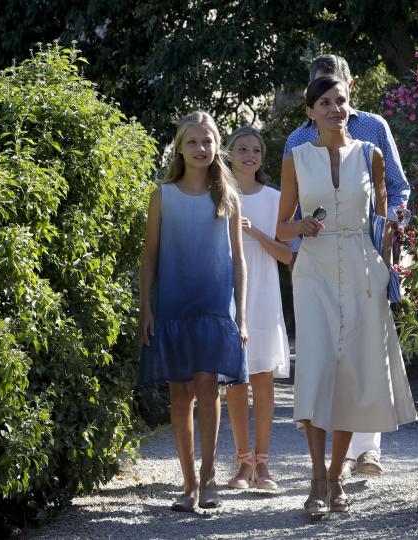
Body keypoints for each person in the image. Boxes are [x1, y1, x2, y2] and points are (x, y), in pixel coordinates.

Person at [277, 76, 416, 514]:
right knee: (317, 371)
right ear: (310, 111)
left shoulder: (371, 154)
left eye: (341, 101)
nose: (335, 108)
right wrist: (300, 227)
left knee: (352, 376)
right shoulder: (295, 158)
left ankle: (335, 479)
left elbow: (380, 221)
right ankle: (316, 477)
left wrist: (393, 259)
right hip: (314, 271)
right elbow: (282, 226)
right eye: (325, 102)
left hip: (362, 268)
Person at [138, 111, 248, 512]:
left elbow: (239, 260)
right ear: (180, 147)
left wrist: (244, 316)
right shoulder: (161, 195)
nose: (202, 149)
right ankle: (187, 485)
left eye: (208, 141)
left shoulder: (227, 197)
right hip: (172, 305)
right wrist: (145, 308)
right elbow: (149, 256)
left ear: (217, 145)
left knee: (208, 388)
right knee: (180, 394)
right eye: (193, 142)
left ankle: (210, 478)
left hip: (215, 305)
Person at [224, 126, 291, 491]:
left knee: (262, 379)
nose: (250, 155)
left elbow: (287, 256)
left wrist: (252, 232)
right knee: (235, 380)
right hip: (229, 295)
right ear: (229, 154)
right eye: (242, 149)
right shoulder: (218, 195)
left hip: (264, 296)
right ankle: (241, 465)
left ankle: (263, 466)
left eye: (256, 150)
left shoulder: (274, 198)